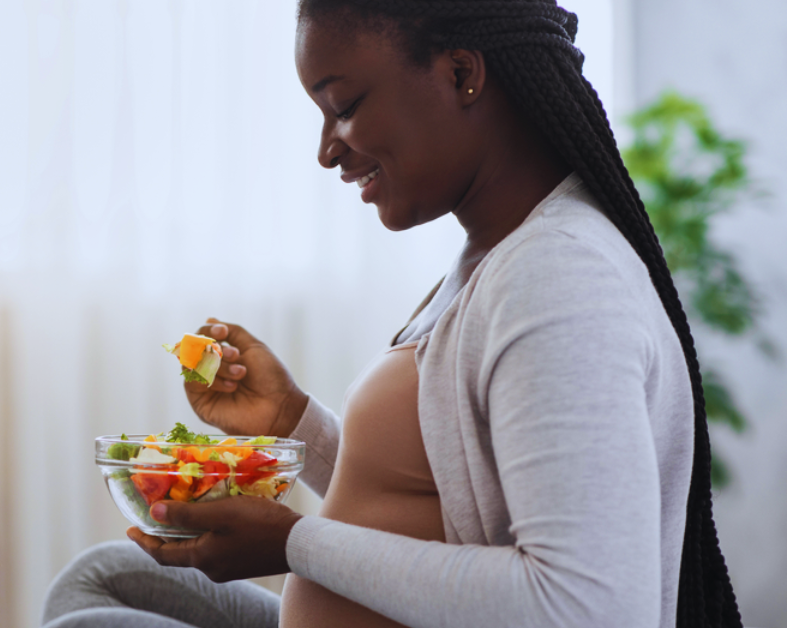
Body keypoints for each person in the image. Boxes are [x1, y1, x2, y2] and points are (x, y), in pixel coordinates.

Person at [41, 1, 742, 626]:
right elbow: (433, 503)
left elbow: (585, 607)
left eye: (342, 105)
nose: (326, 150)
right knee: (103, 580)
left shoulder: (558, 279)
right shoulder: (496, 254)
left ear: (463, 73)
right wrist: (291, 422)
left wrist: (291, 543)